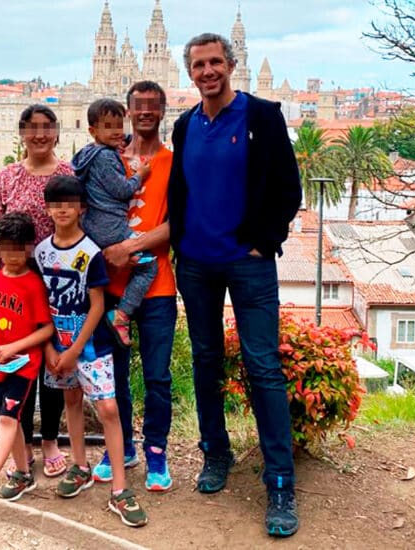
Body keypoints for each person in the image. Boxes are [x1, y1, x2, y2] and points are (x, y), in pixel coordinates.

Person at [168, 33, 302, 537]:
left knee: (263, 366)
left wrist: (262, 242)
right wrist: (181, 242)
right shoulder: (185, 124)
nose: (208, 71)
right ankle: (215, 453)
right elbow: (180, 188)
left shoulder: (262, 115)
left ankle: (281, 483)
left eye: (215, 62)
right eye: (199, 64)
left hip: (248, 263)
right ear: (190, 71)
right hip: (197, 265)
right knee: (205, 361)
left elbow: (289, 188)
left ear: (231, 64)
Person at [34, 175, 147, 528]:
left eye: (70, 203)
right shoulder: (41, 252)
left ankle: (119, 489)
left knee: (108, 408)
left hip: (91, 344)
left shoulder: (90, 253)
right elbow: (43, 304)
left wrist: (74, 350)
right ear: (48, 208)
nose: (63, 209)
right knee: (71, 402)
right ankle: (80, 466)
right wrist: (52, 346)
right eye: (56, 203)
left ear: (82, 207)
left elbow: (97, 306)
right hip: (57, 346)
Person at [0, 104, 70, 478]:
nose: (40, 134)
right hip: (11, 283)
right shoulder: (6, 177)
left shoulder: (67, 174)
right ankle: (22, 447)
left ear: (57, 131)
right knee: (15, 368)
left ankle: (50, 440)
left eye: (46, 127)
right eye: (32, 128)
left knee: (51, 367)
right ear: (22, 133)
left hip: (56, 282)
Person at [92, 81, 178, 493]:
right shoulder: (106, 159)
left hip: (157, 288)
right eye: (137, 106)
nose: (145, 112)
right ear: (127, 111)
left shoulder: (173, 162)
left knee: (158, 378)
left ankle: (157, 451)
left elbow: (180, 223)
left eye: (152, 106)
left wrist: (131, 246)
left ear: (162, 111)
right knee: (115, 376)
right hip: (110, 288)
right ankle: (121, 446)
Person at [0, 212, 54, 501]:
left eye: (19, 249)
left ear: (29, 248)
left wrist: (15, 347)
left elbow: (46, 330)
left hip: (24, 365)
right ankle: (23, 474)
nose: (13, 255)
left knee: (7, 419)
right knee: (11, 421)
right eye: (6, 249)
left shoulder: (33, 285)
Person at [72, 98, 156, 347]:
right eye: (109, 126)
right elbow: (121, 190)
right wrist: (140, 175)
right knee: (149, 265)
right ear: (93, 131)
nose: (117, 131)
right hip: (110, 227)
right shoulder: (106, 157)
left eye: (120, 125)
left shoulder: (87, 154)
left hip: (91, 225)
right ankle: (121, 314)